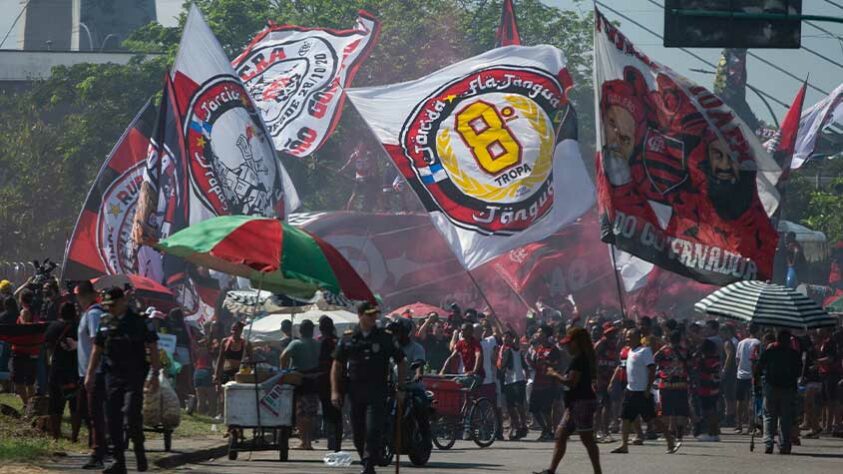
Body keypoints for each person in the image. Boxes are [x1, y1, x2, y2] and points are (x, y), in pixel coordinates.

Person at [84, 287, 160, 474]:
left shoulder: (140, 321)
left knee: (131, 414)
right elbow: (97, 349)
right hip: (113, 376)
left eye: (113, 305)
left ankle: (139, 450)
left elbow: (153, 346)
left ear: (123, 302)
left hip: (135, 375)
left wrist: (155, 375)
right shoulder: (105, 321)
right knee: (113, 418)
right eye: (107, 305)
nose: (110, 309)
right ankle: (119, 462)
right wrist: (90, 374)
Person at [331, 302, 406, 474]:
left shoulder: (384, 337)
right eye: (369, 314)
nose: (374, 318)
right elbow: (337, 365)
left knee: (373, 428)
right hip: (355, 390)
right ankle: (366, 459)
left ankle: (368, 463)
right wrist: (335, 391)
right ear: (360, 315)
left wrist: (401, 387)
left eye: (375, 314)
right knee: (357, 431)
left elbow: (402, 361)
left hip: (377, 390)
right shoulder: (349, 337)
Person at [535, 327, 602, 474]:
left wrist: (554, 374)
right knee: (561, 435)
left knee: (587, 440)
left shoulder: (580, 360)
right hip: (574, 404)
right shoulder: (578, 358)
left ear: (577, 343)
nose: (567, 346)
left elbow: (571, 382)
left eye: (569, 343)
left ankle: (598, 472)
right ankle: (551, 470)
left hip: (582, 403)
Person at [611, 328, 679, 454]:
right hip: (630, 390)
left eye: (629, 337)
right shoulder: (630, 351)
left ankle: (670, 441)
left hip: (641, 392)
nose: (627, 339)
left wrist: (648, 388)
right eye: (626, 337)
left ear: (637, 338)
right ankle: (624, 445)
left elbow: (652, 370)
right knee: (625, 418)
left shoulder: (644, 351)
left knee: (652, 419)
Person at [75, 280, 108, 470]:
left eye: (80, 296)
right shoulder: (89, 314)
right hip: (87, 371)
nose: (78, 300)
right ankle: (101, 448)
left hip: (93, 372)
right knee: (89, 413)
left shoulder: (94, 314)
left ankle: (98, 452)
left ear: (88, 295)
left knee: (94, 414)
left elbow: (98, 343)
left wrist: (90, 373)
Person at [755, 329, 802, 454]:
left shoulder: (770, 352)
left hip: (771, 387)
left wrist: (757, 382)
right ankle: (784, 444)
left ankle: (768, 442)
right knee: (786, 417)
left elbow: (759, 367)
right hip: (788, 388)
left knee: (769, 416)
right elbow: (798, 372)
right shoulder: (794, 354)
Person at [281, 319, 321, 451]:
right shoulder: (317, 344)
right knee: (311, 413)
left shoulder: (296, 343)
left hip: (301, 380)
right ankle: (308, 441)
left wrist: (284, 371)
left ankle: (304, 442)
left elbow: (283, 356)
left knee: (301, 412)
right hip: (315, 380)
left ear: (300, 331)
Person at [45, 302, 81, 441]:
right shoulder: (78, 327)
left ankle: (55, 436)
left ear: (60, 312)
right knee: (75, 405)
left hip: (57, 369)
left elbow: (48, 347)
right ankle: (74, 436)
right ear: (75, 313)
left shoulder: (53, 327)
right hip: (74, 370)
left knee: (55, 404)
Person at [655, 330, 690, 442]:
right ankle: (679, 434)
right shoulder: (684, 351)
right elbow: (690, 364)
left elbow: (654, 359)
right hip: (681, 384)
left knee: (667, 410)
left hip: (666, 384)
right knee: (680, 410)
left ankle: (669, 434)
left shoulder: (664, 351)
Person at [528, 325, 562, 441]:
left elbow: (557, 365)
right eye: (537, 332)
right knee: (534, 409)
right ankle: (545, 429)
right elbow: (535, 363)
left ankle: (550, 430)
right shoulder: (538, 349)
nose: (538, 334)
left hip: (549, 384)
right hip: (537, 382)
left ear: (546, 334)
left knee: (546, 409)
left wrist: (547, 363)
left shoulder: (553, 349)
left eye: (540, 332)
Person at [317, 316, 342, 452]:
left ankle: (333, 441)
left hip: (325, 381)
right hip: (341, 381)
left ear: (321, 328)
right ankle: (335, 442)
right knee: (337, 413)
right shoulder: (338, 341)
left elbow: (322, 362)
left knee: (329, 413)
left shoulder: (324, 342)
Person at [499, 329, 528, 440]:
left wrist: (511, 327)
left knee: (519, 405)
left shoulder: (515, 349)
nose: (506, 339)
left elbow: (516, 337)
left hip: (518, 380)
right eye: (504, 337)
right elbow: (501, 366)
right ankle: (518, 427)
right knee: (510, 407)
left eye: (508, 337)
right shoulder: (502, 350)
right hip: (507, 381)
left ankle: (524, 425)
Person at [11, 289, 39, 407]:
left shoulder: (25, 311)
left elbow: (25, 328)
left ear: (21, 300)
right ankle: (30, 406)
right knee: (29, 382)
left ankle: (27, 405)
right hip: (32, 351)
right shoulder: (34, 311)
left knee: (19, 382)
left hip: (22, 351)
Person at [594, 322, 619, 442]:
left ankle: (599, 432)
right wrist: (596, 377)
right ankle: (602, 432)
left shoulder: (613, 345)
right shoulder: (600, 344)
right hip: (600, 379)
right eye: (611, 333)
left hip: (609, 378)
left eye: (614, 333)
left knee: (605, 405)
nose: (613, 335)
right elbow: (592, 360)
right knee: (603, 405)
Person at [735, 323, 761, 434]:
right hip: (752, 375)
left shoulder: (741, 342)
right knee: (751, 400)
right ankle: (751, 425)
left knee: (740, 401)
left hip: (740, 374)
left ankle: (739, 424)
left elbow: (737, 359)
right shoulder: (758, 343)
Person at [695, 339, 722, 441]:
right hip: (715, 387)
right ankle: (714, 433)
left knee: (707, 411)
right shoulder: (716, 359)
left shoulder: (705, 360)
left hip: (706, 388)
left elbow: (702, 372)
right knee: (712, 410)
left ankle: (710, 432)